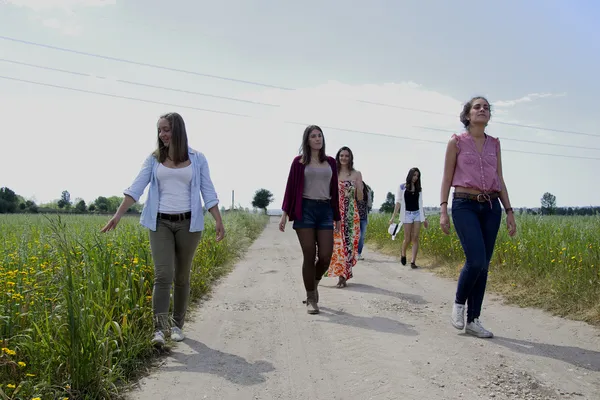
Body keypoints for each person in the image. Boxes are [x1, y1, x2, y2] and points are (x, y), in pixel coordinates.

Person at [101, 112, 225, 346]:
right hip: (160, 223)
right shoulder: (154, 159)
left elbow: (208, 191)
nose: (162, 134)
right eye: (159, 130)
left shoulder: (198, 159)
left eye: (166, 129)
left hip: (189, 224)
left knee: (181, 276)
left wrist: (218, 219)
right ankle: (159, 329)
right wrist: (118, 214)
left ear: (177, 130)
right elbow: (136, 187)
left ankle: (177, 326)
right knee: (163, 274)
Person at [439, 96, 516, 339]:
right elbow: (446, 177)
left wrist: (509, 211)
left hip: (491, 206)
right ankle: (459, 303)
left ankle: (473, 320)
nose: (482, 110)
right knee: (476, 260)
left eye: (486, 107)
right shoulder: (457, 142)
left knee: (484, 266)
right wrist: (443, 210)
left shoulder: (495, 144)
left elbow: (500, 178)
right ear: (468, 115)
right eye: (477, 107)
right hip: (464, 205)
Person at [280, 125, 341, 315]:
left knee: (325, 256)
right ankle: (311, 298)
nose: (317, 139)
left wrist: (337, 216)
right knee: (309, 253)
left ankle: (313, 283)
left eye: (320, 136)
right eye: (313, 136)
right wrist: (284, 214)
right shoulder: (299, 162)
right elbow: (290, 188)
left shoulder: (330, 162)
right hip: (305, 210)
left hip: (325, 210)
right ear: (307, 140)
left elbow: (334, 191)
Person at [326, 146, 363, 288]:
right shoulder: (332, 172)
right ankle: (333, 272)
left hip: (350, 213)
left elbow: (360, 198)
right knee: (335, 245)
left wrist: (357, 188)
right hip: (334, 211)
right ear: (338, 157)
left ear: (350, 158)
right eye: (341, 155)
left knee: (347, 245)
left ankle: (343, 276)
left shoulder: (356, 174)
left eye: (347, 156)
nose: (344, 158)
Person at [389, 167, 429, 269]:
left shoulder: (419, 189)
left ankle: (413, 262)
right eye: (414, 175)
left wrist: (424, 218)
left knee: (415, 237)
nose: (415, 177)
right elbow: (398, 202)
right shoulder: (402, 187)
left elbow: (421, 204)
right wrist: (393, 217)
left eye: (417, 176)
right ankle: (403, 253)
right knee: (407, 238)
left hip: (417, 214)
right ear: (410, 175)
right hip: (407, 214)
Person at [357, 181, 373, 260]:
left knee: (362, 236)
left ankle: (359, 253)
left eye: (362, 186)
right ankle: (353, 253)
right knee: (357, 235)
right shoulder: (354, 194)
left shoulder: (367, 193)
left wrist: (368, 194)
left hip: (364, 218)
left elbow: (370, 205)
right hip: (355, 219)